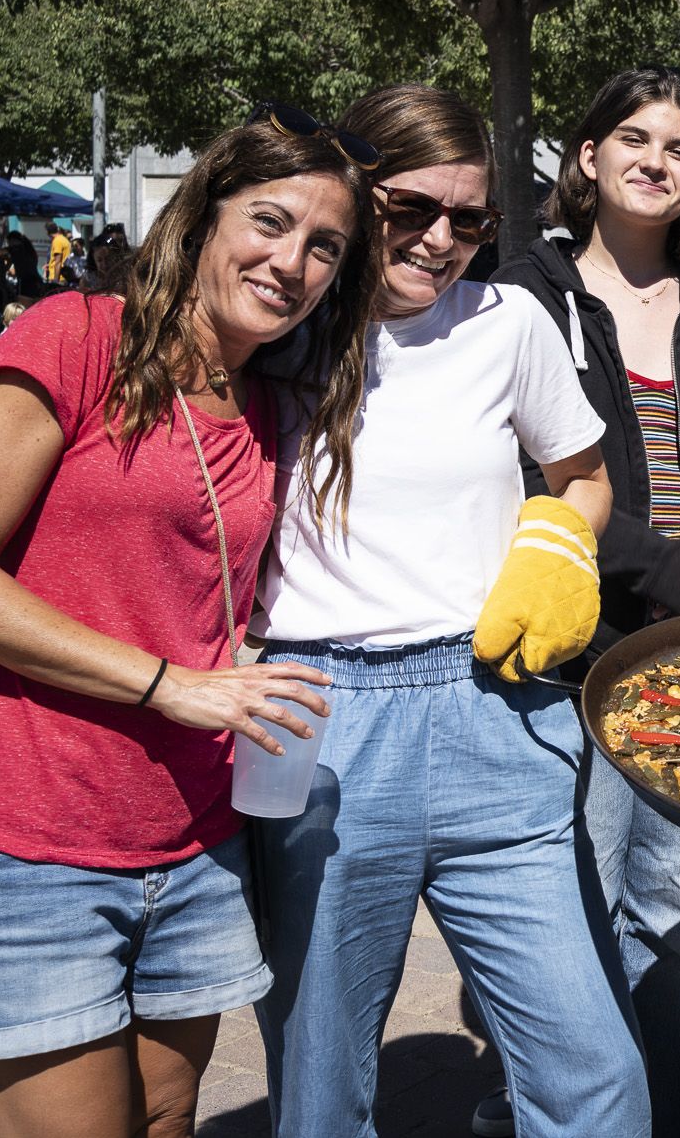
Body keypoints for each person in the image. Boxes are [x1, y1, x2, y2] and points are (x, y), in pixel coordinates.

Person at [249, 84, 652, 1138]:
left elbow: (585, 476)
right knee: (321, 1093)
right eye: (410, 211)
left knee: (595, 1079)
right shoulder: (280, 328)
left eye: (469, 220)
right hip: (323, 723)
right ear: (354, 193)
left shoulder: (506, 320)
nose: (440, 242)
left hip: (496, 710)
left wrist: (557, 545)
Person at [0, 114, 379, 1138]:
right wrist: (171, 682)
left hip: (196, 838)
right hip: (37, 839)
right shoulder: (77, 337)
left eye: (324, 246)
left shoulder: (261, 404)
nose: (290, 262)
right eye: (270, 221)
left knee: (167, 1117)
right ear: (203, 215)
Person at [487, 66, 680, 1138]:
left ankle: (654, 1115)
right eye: (633, 138)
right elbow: (514, 473)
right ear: (587, 157)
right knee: (573, 912)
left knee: (678, 914)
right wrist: (653, 564)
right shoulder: (523, 294)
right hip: (573, 660)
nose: (655, 159)